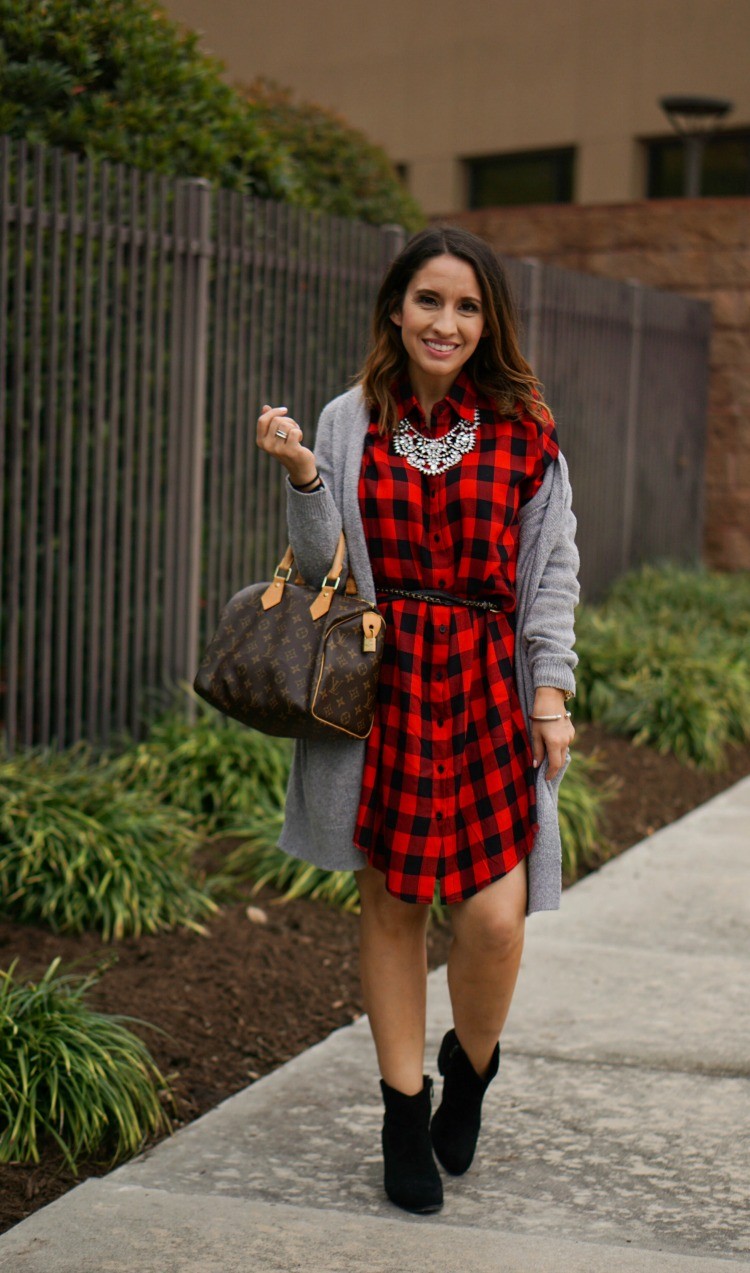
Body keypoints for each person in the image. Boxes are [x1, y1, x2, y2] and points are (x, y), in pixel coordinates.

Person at [255, 225, 579, 1216]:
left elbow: (553, 567)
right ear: (396, 309)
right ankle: (405, 1108)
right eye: (429, 301)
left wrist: (551, 693)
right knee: (392, 905)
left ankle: (468, 1066)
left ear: (489, 324)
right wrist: (307, 475)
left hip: (485, 687)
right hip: (387, 688)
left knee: (493, 919)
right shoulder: (350, 418)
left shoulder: (525, 425)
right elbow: (320, 571)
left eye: (467, 306)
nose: (446, 321)